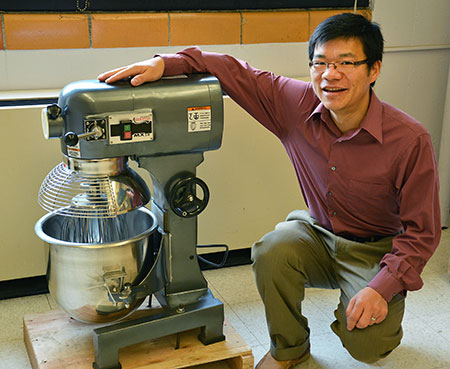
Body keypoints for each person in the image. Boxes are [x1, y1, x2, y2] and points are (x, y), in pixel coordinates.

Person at [98, 13, 441, 369]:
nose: (330, 74)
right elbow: (233, 71)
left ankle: (368, 308)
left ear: (374, 70)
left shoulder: (409, 140)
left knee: (368, 346)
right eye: (320, 62)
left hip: (376, 249)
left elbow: (422, 233)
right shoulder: (295, 103)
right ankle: (289, 349)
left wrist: (381, 288)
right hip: (319, 234)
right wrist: (164, 63)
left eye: (346, 63)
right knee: (271, 250)